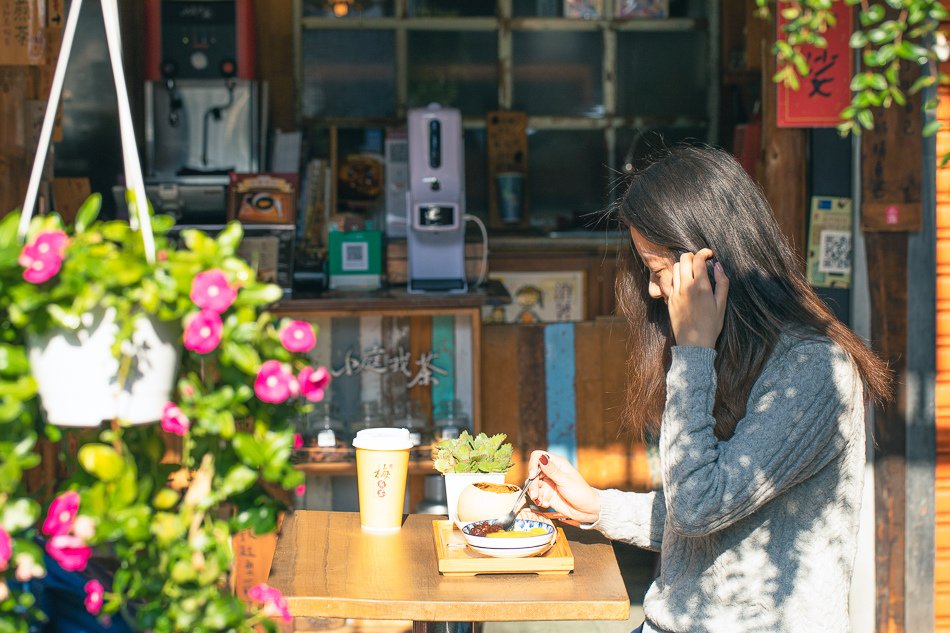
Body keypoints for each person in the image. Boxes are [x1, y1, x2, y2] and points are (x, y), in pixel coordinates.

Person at [526, 145, 890, 633]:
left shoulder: (813, 369)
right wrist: (597, 505)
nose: (654, 291)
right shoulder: (730, 354)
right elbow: (712, 522)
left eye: (657, 272)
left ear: (712, 264)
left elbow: (699, 509)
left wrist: (693, 352)